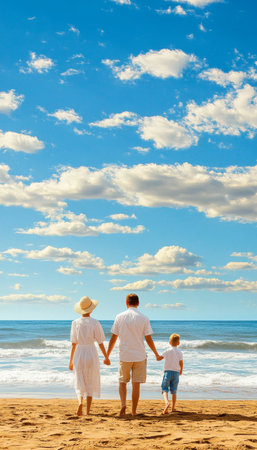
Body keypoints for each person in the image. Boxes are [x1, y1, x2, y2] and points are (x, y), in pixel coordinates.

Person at [107, 293, 162, 416]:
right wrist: (156, 354)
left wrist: (107, 355)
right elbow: (148, 339)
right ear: (138, 303)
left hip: (125, 355)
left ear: (126, 303)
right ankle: (133, 411)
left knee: (122, 382)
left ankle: (123, 405)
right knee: (136, 384)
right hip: (139, 356)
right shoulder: (144, 317)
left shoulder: (119, 317)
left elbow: (113, 338)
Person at [69, 296, 110, 416]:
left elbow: (73, 344)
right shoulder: (95, 323)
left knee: (79, 379)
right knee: (91, 380)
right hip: (91, 352)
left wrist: (71, 361)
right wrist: (106, 357)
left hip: (79, 353)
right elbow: (100, 342)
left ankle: (80, 402)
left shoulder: (75, 323)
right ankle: (87, 411)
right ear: (91, 309)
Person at [159, 333, 183, 414]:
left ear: (169, 342)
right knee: (174, 391)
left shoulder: (167, 351)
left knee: (164, 388)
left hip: (167, 372)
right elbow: (181, 362)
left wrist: (156, 356)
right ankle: (173, 408)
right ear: (178, 343)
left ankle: (166, 403)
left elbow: (159, 358)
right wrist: (181, 370)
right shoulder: (179, 352)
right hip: (176, 373)